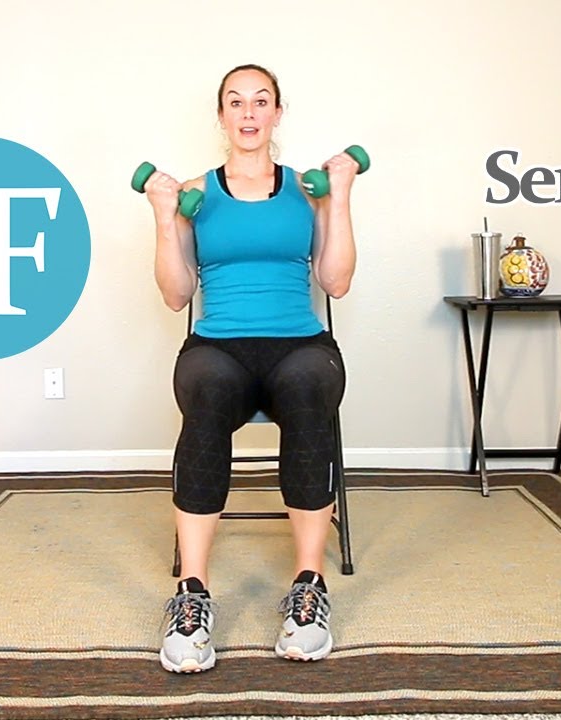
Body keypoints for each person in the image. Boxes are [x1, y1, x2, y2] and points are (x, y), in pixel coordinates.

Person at [143, 63, 358, 673]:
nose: (247, 113)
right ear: (220, 116)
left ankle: (309, 588)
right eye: (235, 102)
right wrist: (164, 218)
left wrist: (340, 198)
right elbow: (177, 294)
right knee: (207, 393)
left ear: (277, 114)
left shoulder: (307, 189)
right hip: (219, 345)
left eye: (260, 101)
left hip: (299, 343)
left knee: (309, 387)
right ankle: (191, 594)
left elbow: (336, 281)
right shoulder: (195, 194)